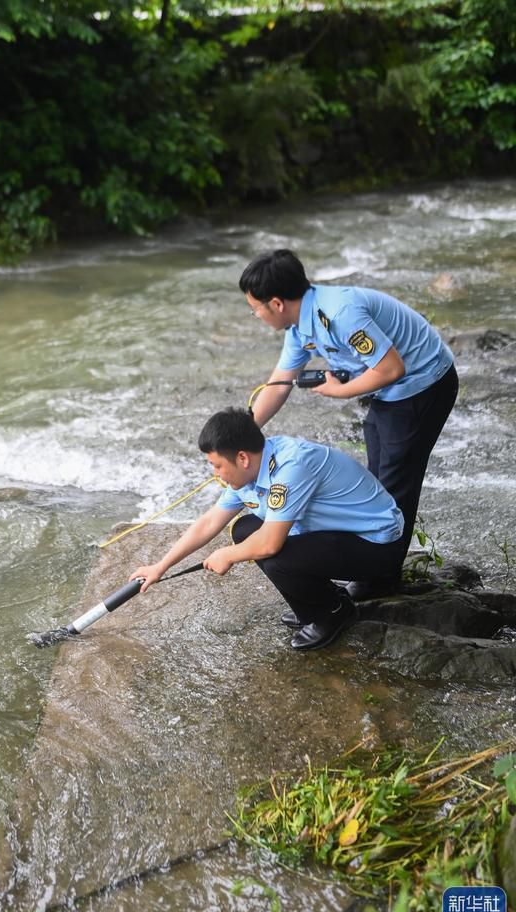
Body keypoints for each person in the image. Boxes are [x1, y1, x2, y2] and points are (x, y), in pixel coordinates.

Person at [239, 249, 458, 601]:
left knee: (397, 477)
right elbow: (279, 383)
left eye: (255, 308)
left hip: (422, 383)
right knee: (379, 474)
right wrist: (244, 435)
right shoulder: (300, 326)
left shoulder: (339, 313)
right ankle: (377, 559)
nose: (256, 315)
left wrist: (340, 392)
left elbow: (391, 369)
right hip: (390, 391)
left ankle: (382, 577)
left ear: (276, 303)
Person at [130, 408, 404, 652]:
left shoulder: (291, 467)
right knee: (245, 530)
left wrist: (228, 555)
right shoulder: (252, 468)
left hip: (376, 546)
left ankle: (333, 612)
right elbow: (210, 521)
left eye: (217, 466)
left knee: (275, 557)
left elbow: (270, 544)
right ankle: (323, 600)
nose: (215, 474)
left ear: (242, 458)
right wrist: (160, 566)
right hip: (335, 536)